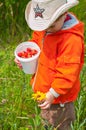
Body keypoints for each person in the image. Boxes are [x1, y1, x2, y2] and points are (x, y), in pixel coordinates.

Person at [15, 0, 84, 129]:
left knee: (59, 125)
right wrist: (27, 57)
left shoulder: (71, 40)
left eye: (51, 26)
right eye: (43, 26)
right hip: (46, 94)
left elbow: (68, 72)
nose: (46, 29)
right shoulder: (46, 28)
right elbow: (36, 42)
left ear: (64, 14)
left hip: (60, 100)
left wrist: (53, 93)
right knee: (47, 123)